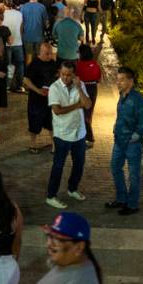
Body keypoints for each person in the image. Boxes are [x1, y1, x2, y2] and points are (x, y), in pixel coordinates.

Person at [17, 212, 104, 284]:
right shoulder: (65, 265)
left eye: (58, 239)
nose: (49, 243)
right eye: (49, 236)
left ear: (79, 247)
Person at [45, 61, 91, 209]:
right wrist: (77, 106)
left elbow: (88, 104)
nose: (65, 77)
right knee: (58, 166)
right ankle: (51, 195)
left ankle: (72, 189)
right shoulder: (54, 88)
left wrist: (79, 87)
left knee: (79, 164)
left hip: (79, 132)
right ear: (60, 72)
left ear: (74, 75)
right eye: (63, 74)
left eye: (68, 75)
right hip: (62, 134)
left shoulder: (80, 85)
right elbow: (57, 110)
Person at [106, 67, 143, 216]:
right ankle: (121, 198)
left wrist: (134, 137)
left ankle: (132, 204)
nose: (118, 83)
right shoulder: (122, 95)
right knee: (115, 168)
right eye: (118, 80)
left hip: (132, 144)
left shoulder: (138, 100)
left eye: (122, 80)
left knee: (133, 174)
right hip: (119, 140)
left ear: (131, 81)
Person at [23, 41, 58, 154]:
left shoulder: (53, 63)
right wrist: (37, 90)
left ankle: (54, 145)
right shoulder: (33, 64)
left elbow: (57, 75)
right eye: (47, 53)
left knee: (52, 123)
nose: (49, 56)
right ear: (40, 53)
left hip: (50, 98)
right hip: (36, 99)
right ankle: (33, 145)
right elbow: (26, 80)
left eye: (50, 53)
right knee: (34, 122)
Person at [74, 44, 103, 147]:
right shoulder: (95, 65)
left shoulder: (78, 65)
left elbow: (76, 78)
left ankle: (89, 137)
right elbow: (99, 79)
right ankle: (86, 137)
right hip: (93, 89)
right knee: (89, 113)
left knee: (83, 113)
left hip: (82, 88)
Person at [1, 0, 25, 92]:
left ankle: (7, 85)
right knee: (20, 64)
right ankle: (19, 85)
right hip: (18, 42)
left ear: (4, 4)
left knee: (7, 64)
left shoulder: (2, 14)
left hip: (6, 44)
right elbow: (21, 28)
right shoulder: (19, 14)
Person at [19, 0, 49, 65]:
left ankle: (29, 74)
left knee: (29, 56)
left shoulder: (23, 7)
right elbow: (46, 22)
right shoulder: (42, 7)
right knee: (39, 56)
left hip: (27, 36)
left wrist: (21, 34)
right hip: (39, 36)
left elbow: (21, 22)